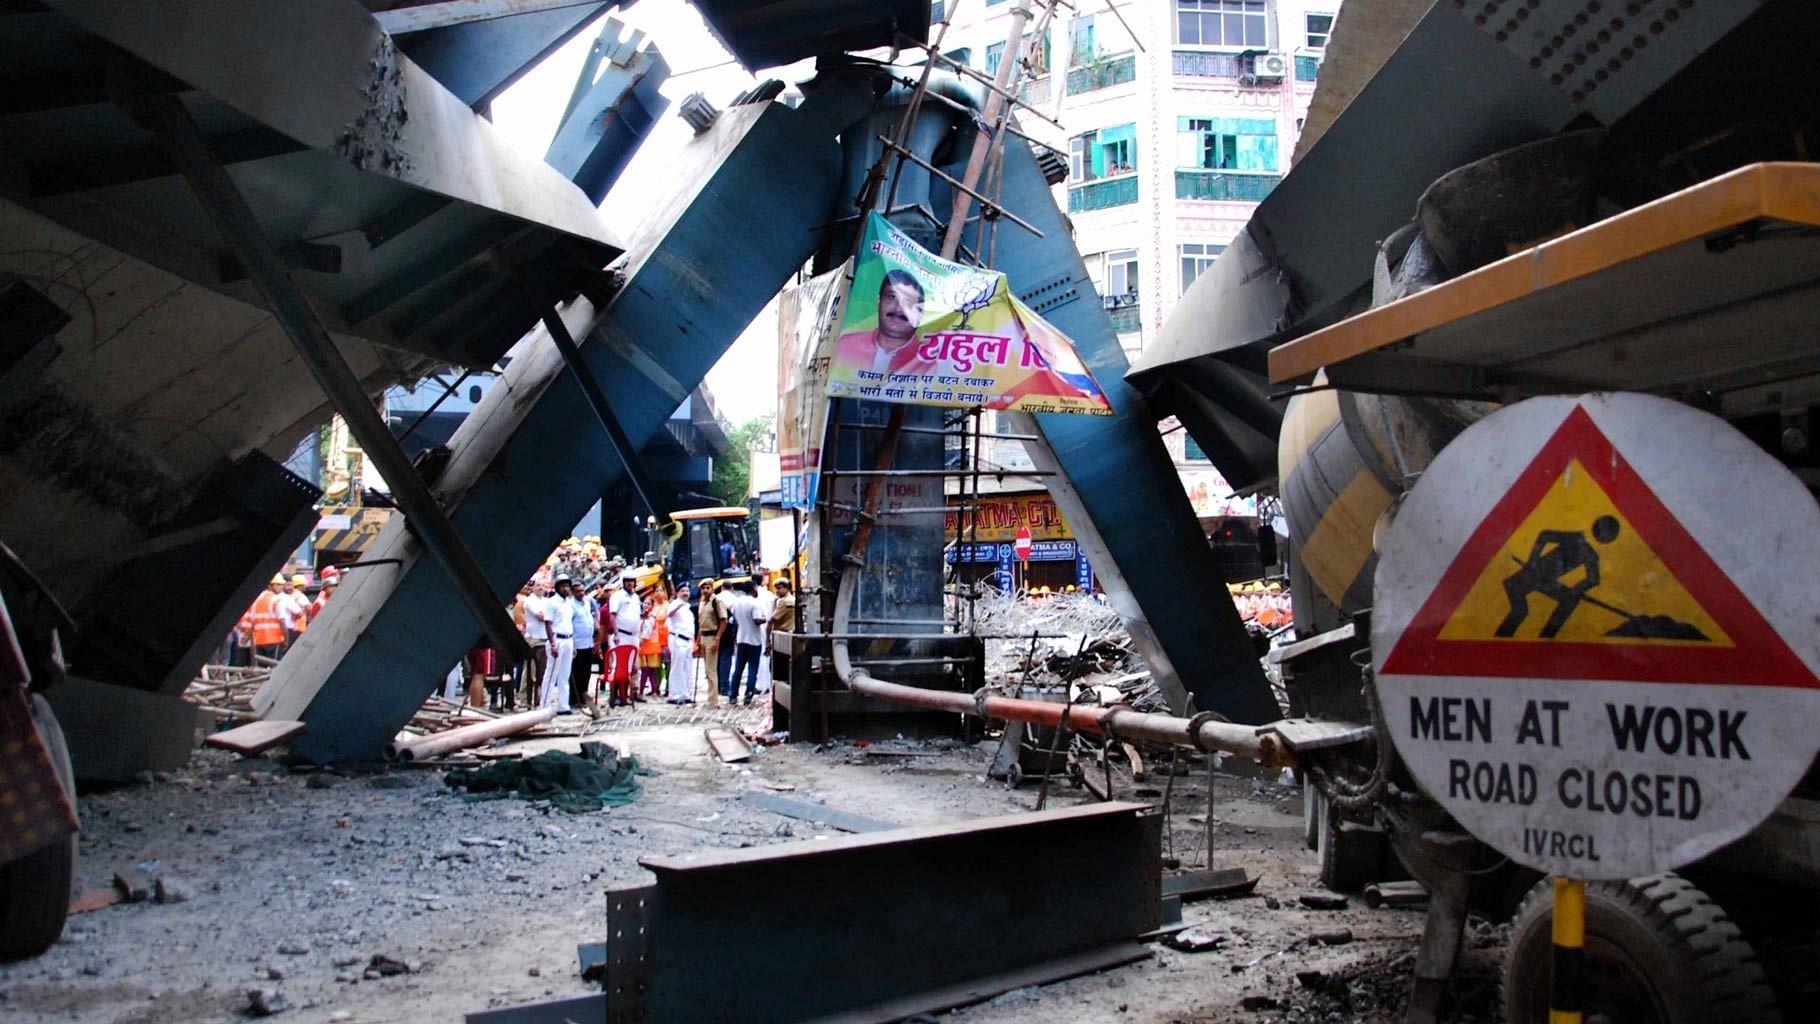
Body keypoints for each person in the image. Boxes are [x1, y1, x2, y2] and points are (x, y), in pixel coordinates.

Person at [834, 269, 929, 376]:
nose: (898, 308)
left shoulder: (932, 361)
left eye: (908, 301)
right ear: (879, 301)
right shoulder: (845, 345)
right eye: (892, 297)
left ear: (921, 312)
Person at [725, 580, 768, 706]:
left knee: (738, 668)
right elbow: (756, 620)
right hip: (754, 640)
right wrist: (765, 619)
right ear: (754, 589)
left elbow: (734, 620)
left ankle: (733, 695)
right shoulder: (755, 603)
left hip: (741, 638)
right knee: (752, 669)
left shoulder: (737, 602)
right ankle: (748, 695)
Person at [602, 572, 641, 707]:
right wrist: (617, 634)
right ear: (623, 582)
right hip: (621, 635)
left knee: (631, 667)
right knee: (617, 666)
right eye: (628, 581)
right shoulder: (617, 597)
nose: (630, 583)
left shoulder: (636, 597)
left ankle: (628, 695)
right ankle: (615, 696)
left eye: (632, 581)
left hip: (633, 635)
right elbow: (612, 616)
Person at [541, 576, 576, 713]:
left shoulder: (569, 602)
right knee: (551, 674)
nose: (566, 589)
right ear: (557, 587)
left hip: (568, 639)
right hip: (557, 639)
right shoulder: (552, 602)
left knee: (565, 674)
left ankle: (563, 705)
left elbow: (569, 622)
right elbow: (548, 623)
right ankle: (544, 705)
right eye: (563, 586)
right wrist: (553, 644)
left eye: (567, 586)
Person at [238, 575, 287, 665]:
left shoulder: (257, 600)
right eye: (278, 584)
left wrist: (247, 636)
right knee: (273, 668)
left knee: (261, 669)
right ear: (270, 586)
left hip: (259, 641)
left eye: (282, 584)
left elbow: (254, 623)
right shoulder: (276, 600)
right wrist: (286, 639)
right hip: (274, 640)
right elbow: (282, 621)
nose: (281, 587)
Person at [520, 577, 552, 709]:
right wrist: (550, 616)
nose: (540, 588)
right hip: (534, 638)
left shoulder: (547, 601)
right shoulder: (529, 601)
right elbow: (541, 616)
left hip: (546, 638)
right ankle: (524, 698)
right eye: (538, 585)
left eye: (543, 585)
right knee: (530, 670)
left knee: (542, 670)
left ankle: (539, 698)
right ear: (533, 587)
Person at [569, 582, 599, 713]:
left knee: (587, 672)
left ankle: (583, 697)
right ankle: (574, 700)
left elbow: (592, 617)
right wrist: (573, 644)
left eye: (582, 591)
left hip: (588, 643)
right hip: (577, 644)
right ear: (573, 592)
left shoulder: (587, 602)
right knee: (577, 673)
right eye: (578, 591)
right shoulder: (570, 605)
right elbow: (570, 624)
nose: (581, 593)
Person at [665, 583, 696, 704]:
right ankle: (675, 694)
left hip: (687, 640)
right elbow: (669, 614)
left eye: (687, 591)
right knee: (677, 667)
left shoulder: (687, 607)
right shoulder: (674, 604)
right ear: (677, 593)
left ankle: (686, 693)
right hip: (677, 639)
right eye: (683, 591)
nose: (685, 593)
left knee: (687, 667)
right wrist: (677, 606)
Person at [695, 579, 722, 708]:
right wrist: (698, 640)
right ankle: (710, 698)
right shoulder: (702, 603)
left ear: (712, 588)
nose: (705, 590)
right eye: (703, 588)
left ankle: (713, 701)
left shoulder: (716, 601)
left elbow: (724, 620)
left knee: (711, 670)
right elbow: (701, 622)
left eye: (708, 588)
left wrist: (717, 638)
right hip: (704, 636)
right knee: (707, 670)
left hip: (712, 636)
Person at [767, 578, 796, 685]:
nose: (777, 591)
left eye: (779, 588)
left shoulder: (785, 602)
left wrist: (767, 640)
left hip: (780, 637)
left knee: (777, 669)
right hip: (790, 635)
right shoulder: (794, 600)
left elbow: (771, 620)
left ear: (786, 588)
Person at [636, 595, 663, 700]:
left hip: (649, 645)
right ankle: (653, 691)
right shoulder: (642, 616)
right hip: (646, 645)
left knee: (647, 669)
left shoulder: (651, 617)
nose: (646, 605)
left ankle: (642, 690)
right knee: (648, 670)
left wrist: (640, 642)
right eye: (645, 603)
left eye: (649, 604)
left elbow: (647, 632)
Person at [277, 574, 311, 648]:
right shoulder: (286, 598)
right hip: (288, 631)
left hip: (290, 630)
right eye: (288, 585)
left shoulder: (288, 596)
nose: (291, 588)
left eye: (291, 585)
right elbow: (301, 613)